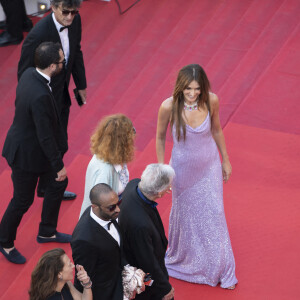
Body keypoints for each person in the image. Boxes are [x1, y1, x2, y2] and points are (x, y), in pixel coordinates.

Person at [156, 64, 238, 289]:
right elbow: (161, 137)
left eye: (197, 89)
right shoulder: (168, 106)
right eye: (188, 89)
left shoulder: (211, 100)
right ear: (180, 88)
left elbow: (217, 129)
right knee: (187, 216)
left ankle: (219, 267)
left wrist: (226, 159)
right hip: (182, 170)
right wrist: (163, 169)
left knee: (215, 213)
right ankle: (187, 258)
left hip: (209, 166)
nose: (193, 93)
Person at [0, 42, 71, 265]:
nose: (63, 64)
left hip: (32, 148)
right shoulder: (40, 94)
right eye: (62, 61)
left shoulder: (30, 73)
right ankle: (4, 241)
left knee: (59, 183)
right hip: (26, 155)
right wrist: (58, 164)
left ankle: (47, 231)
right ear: (51, 66)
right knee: (22, 200)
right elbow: (45, 136)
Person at [18, 0, 87, 201]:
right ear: (53, 7)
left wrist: (80, 84)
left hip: (61, 94)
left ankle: (46, 185)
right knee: (49, 144)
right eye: (65, 12)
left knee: (61, 144)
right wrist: (35, 104)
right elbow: (24, 74)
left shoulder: (75, 20)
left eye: (74, 12)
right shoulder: (37, 35)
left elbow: (76, 50)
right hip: (43, 100)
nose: (69, 17)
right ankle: (45, 186)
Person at [119, 164, 175, 300]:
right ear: (160, 193)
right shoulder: (140, 225)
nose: (170, 188)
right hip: (145, 272)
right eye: (169, 186)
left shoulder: (134, 184)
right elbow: (147, 260)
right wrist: (165, 288)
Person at [71, 183, 125, 300]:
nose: (118, 209)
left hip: (118, 281)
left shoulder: (104, 215)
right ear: (95, 207)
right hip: (105, 293)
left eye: (118, 203)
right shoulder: (83, 240)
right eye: (111, 207)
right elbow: (82, 276)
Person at [79, 114, 135, 217]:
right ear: (122, 142)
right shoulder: (104, 172)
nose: (134, 135)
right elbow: (100, 208)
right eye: (131, 133)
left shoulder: (114, 155)